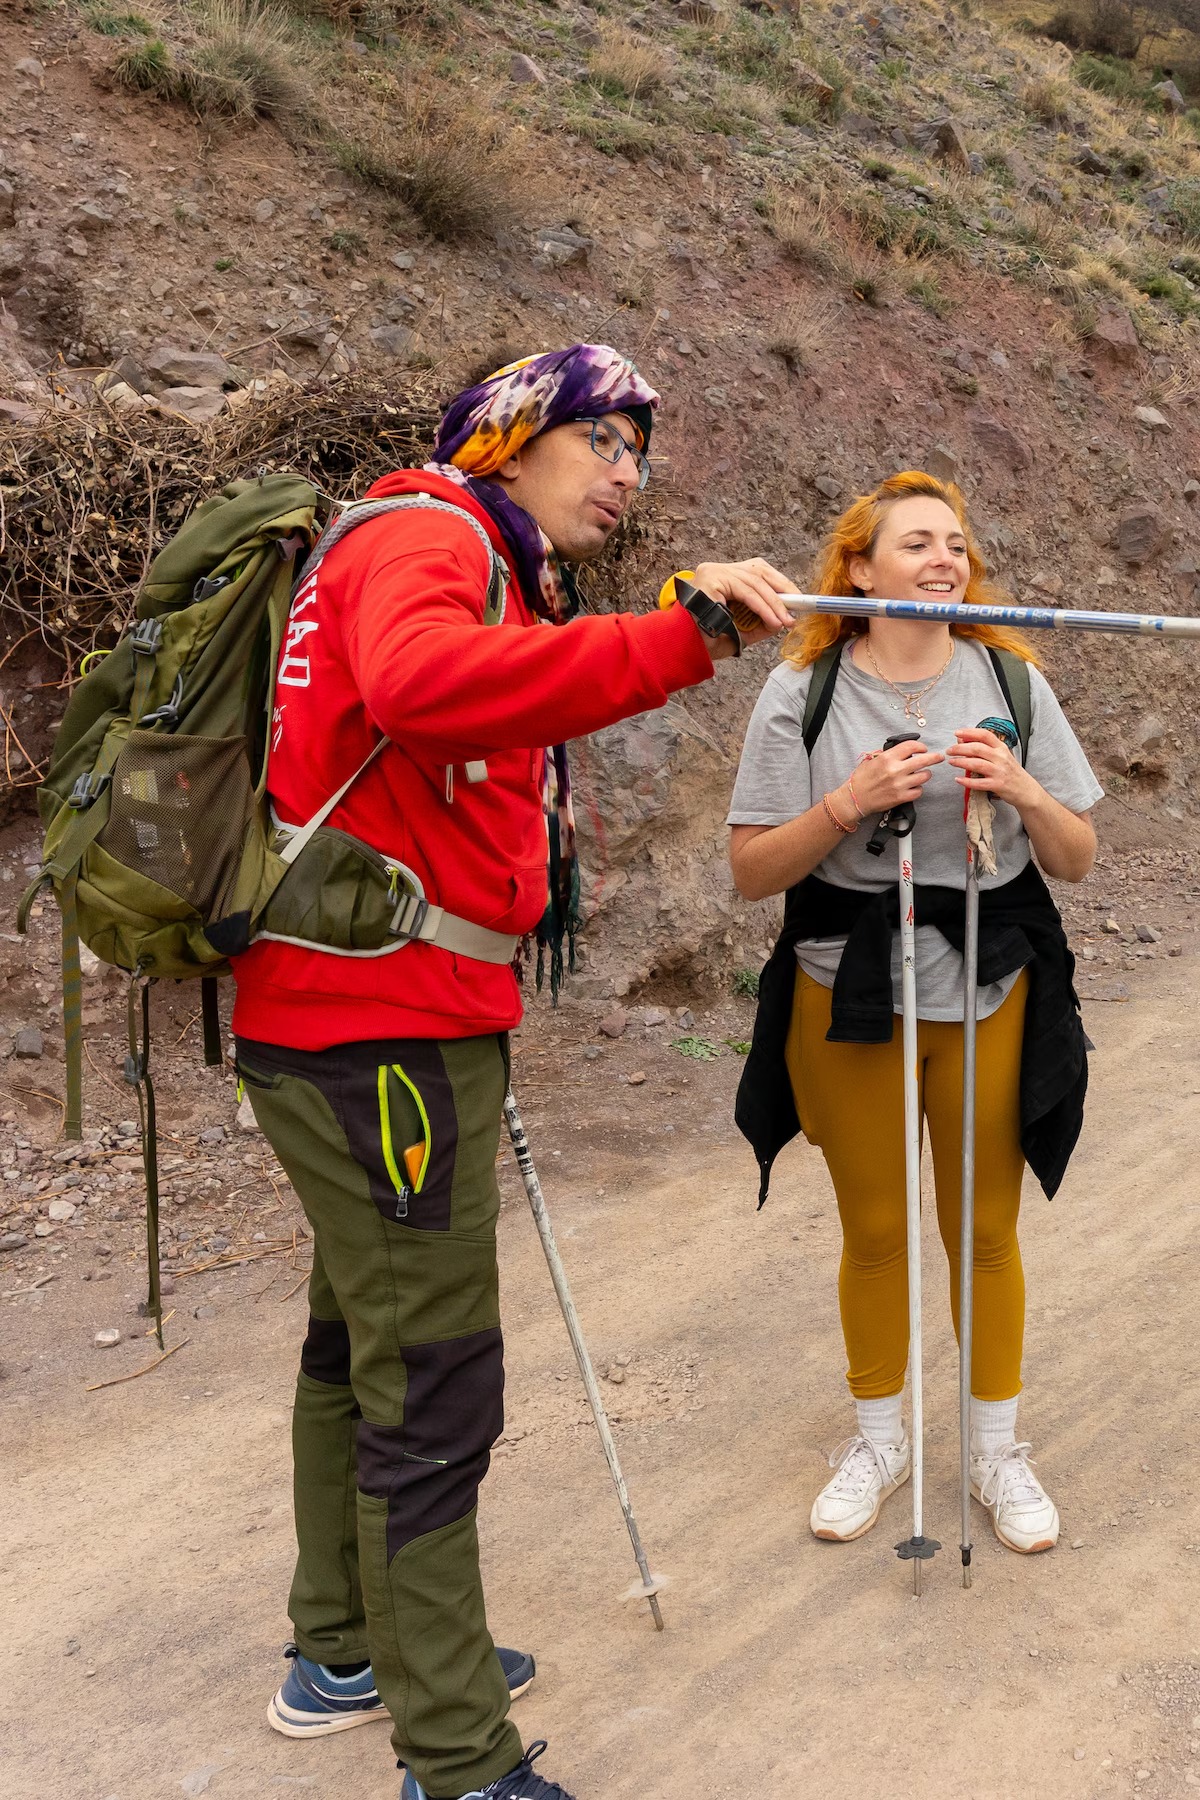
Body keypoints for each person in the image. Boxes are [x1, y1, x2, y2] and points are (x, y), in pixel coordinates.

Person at [229, 343, 795, 1800]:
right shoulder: (428, 531)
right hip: (380, 1031)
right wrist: (679, 639)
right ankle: (458, 1759)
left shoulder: (427, 538)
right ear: (513, 433)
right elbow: (425, 691)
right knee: (431, 1383)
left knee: (356, 1341)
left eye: (640, 452)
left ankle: (344, 1649)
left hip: (356, 1014)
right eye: (604, 440)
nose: (628, 474)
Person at [728, 470, 1102, 1560]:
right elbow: (753, 871)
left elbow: (1076, 858)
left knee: (983, 1231)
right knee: (878, 1232)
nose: (944, 559)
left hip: (990, 988)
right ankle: (880, 1438)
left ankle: (994, 1450)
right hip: (846, 992)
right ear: (858, 568)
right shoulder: (802, 696)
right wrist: (848, 803)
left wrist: (1026, 792)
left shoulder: (1011, 681)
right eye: (916, 544)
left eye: (956, 545)